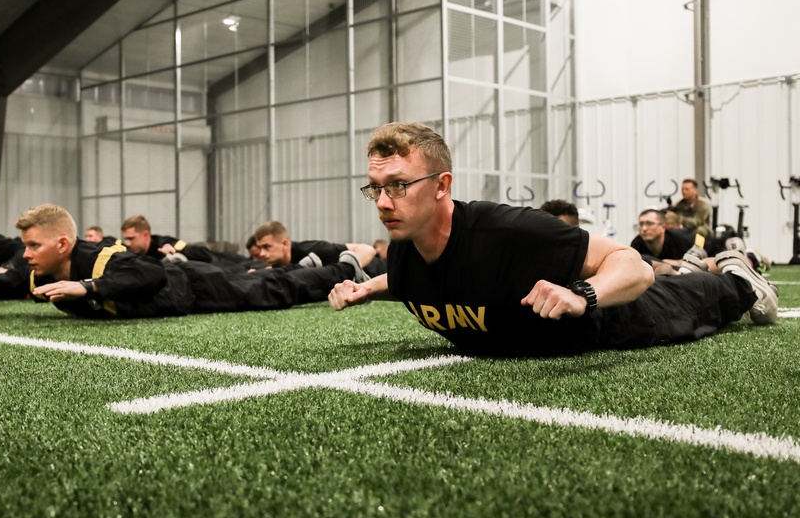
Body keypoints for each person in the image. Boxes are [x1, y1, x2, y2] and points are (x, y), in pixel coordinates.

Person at [328, 122, 777, 356]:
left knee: (701, 299)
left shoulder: (509, 231)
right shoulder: (406, 248)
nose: (383, 202)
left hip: (620, 322)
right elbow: (410, 281)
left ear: (442, 185)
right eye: (376, 188)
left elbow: (633, 265)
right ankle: (702, 269)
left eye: (399, 185)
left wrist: (584, 294)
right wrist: (365, 288)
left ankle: (739, 277)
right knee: (682, 279)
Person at [0, 204, 369, 319]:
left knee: (272, 291)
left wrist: (89, 288)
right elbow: (22, 275)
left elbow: (148, 271)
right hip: (188, 287)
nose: (25, 254)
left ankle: (343, 268)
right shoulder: (47, 267)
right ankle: (312, 265)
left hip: (191, 286)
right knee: (258, 277)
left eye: (32, 246)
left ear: (63, 244)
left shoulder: (99, 258)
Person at [251, 221, 377, 272]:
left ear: (285, 244)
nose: (261, 254)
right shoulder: (274, 264)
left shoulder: (315, 251)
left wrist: (344, 270)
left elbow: (368, 250)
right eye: (260, 248)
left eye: (267, 247)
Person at [630, 208, 701, 274]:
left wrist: (679, 263)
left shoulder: (681, 239)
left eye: (649, 224)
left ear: (663, 227)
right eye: (641, 224)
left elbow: (703, 243)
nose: (644, 228)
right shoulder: (636, 244)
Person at [121, 214, 214, 263]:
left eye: (131, 238)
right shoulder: (127, 251)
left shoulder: (165, 244)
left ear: (145, 235)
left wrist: (175, 252)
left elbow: (205, 254)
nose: (128, 243)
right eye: (126, 239)